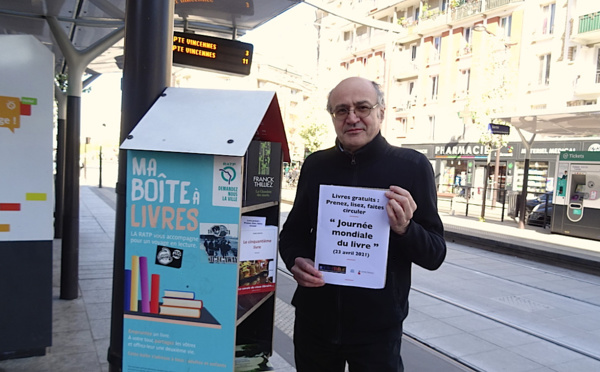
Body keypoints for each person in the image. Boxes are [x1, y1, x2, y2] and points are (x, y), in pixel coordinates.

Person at [279, 77, 447, 372]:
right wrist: (296, 260)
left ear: (381, 112)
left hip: (378, 329)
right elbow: (292, 233)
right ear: (332, 117)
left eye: (362, 107)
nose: (352, 117)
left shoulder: (412, 166)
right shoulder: (316, 165)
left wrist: (405, 228)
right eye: (341, 110)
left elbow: (435, 255)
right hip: (315, 321)